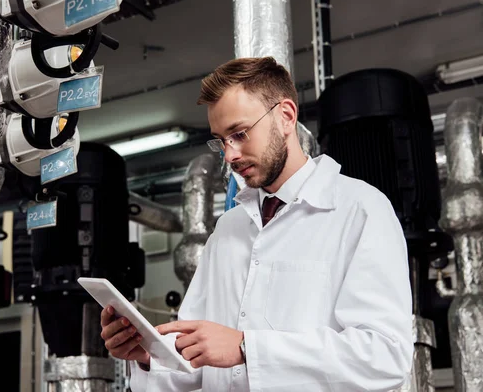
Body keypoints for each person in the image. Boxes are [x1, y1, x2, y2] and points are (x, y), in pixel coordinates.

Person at [100, 57, 413, 392]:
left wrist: (247, 348)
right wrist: (148, 355)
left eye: (240, 134)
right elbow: (195, 360)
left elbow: (385, 357)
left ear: (286, 116)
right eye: (221, 139)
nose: (230, 155)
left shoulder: (359, 209)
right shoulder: (228, 229)